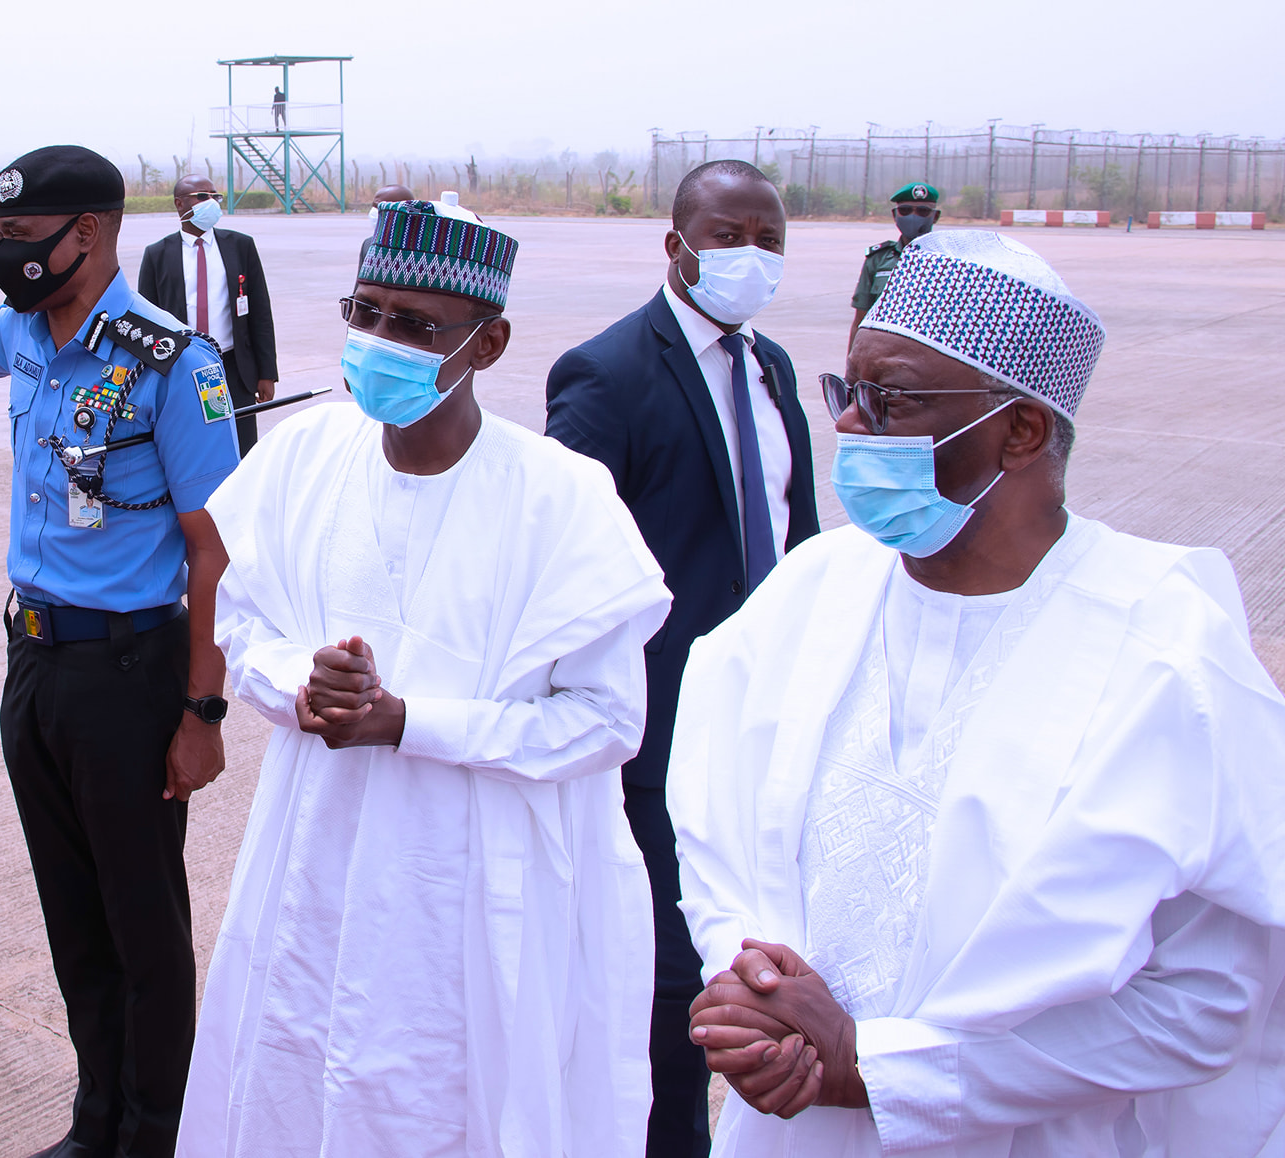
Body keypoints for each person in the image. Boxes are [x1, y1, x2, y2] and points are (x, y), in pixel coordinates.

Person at [670, 230, 1285, 1156]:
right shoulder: (812, 590)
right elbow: (711, 823)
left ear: (1023, 429)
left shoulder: (1166, 651)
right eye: (850, 392)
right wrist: (749, 983)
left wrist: (883, 1071)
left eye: (894, 401)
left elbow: (1209, 1003)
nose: (850, 426)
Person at [181, 199, 672, 1156]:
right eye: (365, 312)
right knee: (299, 1069)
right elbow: (245, 626)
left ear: (488, 344)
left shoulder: (561, 498)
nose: (379, 340)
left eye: (414, 325)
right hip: (316, 856)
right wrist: (300, 684)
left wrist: (413, 722)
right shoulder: (304, 458)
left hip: (477, 884)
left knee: (452, 1096)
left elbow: (607, 722)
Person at [0, 144, 238, 1158]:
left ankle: (155, 1133)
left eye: (22, 240)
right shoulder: (21, 328)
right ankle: (92, 1118)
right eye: (4, 240)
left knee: (141, 929)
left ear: (89, 235)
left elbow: (212, 551)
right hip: (35, 665)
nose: (10, 255)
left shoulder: (172, 363)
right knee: (73, 922)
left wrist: (201, 715)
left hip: (128, 676)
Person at [543, 158, 818, 1158]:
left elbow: (795, 535)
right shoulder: (604, 373)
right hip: (660, 731)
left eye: (768, 241)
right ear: (675, 245)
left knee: (762, 952)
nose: (748, 256)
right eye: (728, 235)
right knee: (666, 987)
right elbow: (560, 560)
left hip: (770, 717)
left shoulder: (770, 366)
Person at [138, 175, 279, 454]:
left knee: (241, 443)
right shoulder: (157, 254)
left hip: (233, 367)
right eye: (202, 197)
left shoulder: (241, 246)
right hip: (181, 366)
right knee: (190, 443)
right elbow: (147, 322)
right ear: (179, 204)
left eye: (216, 196)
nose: (212, 203)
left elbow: (260, 313)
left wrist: (267, 373)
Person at [848, 181, 941, 347]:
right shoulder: (878, 260)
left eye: (922, 211)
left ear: (935, 216)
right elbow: (860, 321)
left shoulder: (949, 260)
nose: (913, 216)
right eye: (905, 211)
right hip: (883, 354)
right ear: (894, 215)